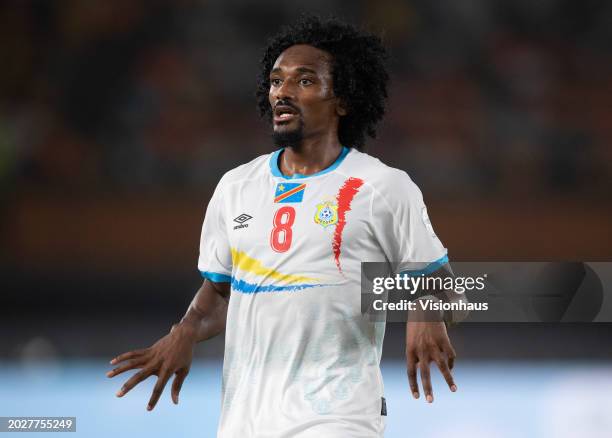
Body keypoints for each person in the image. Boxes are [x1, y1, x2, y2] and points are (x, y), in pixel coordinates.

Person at [107, 15, 458, 437]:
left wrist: (426, 310)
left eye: (304, 81)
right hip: (245, 421)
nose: (283, 93)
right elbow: (220, 292)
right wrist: (183, 332)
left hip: (337, 416)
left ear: (342, 99)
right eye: (276, 81)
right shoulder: (236, 187)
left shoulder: (381, 187)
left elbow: (444, 283)